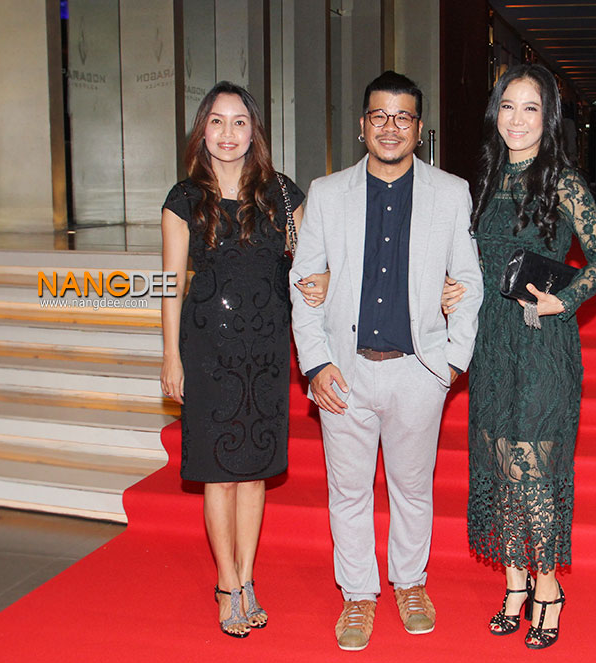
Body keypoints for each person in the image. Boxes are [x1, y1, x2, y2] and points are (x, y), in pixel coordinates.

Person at [289, 71, 483, 651]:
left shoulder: (450, 192)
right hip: (343, 371)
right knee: (348, 492)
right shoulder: (326, 194)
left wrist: (452, 363)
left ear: (419, 129)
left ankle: (410, 583)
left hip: (417, 371)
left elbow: (468, 281)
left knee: (412, 489)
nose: (390, 127)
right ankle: (357, 593)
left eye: (403, 117)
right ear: (362, 125)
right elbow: (303, 283)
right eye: (380, 116)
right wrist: (315, 365)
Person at [443, 63, 596, 649]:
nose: (517, 119)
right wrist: (454, 288)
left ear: (549, 118)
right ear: (496, 112)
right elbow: (473, 261)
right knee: (498, 461)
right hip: (492, 341)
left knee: (533, 468)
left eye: (531, 108)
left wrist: (564, 300)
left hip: (541, 342)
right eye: (508, 106)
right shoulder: (484, 180)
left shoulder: (562, 181)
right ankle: (514, 584)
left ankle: (548, 589)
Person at [159, 82, 328, 639]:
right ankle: (226, 583)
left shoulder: (281, 193)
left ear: (254, 130)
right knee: (218, 475)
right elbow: (170, 285)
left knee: (254, 473)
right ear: (202, 130)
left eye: (239, 122)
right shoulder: (184, 198)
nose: (228, 133)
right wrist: (170, 356)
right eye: (217, 121)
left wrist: (323, 282)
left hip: (266, 350)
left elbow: (312, 262)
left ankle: (248, 577)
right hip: (207, 349)